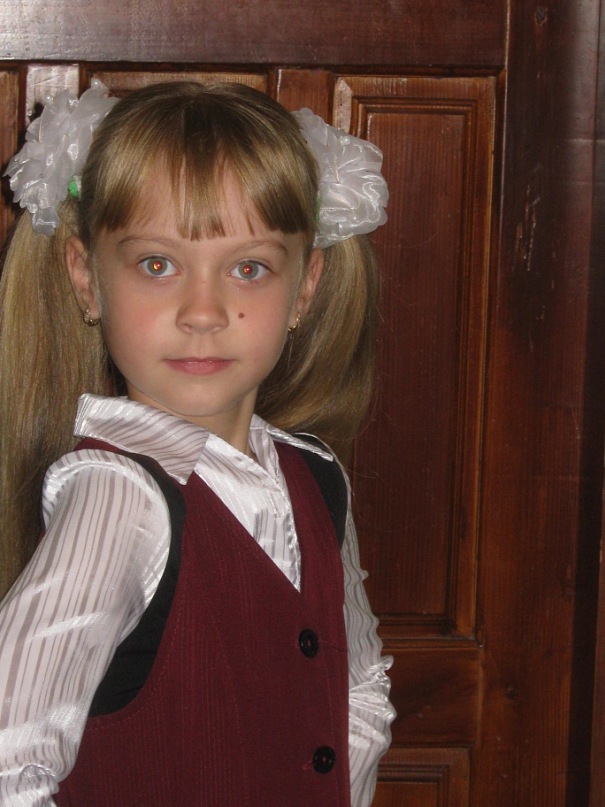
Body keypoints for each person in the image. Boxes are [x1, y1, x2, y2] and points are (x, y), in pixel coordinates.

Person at [0, 79, 395, 806]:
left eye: (248, 268)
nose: (204, 312)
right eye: (158, 264)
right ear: (87, 278)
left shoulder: (316, 477)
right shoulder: (119, 500)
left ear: (304, 287)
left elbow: (359, 687)